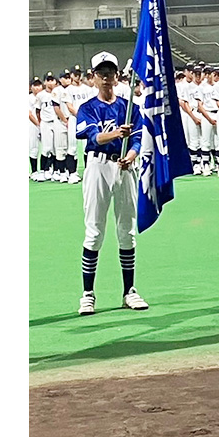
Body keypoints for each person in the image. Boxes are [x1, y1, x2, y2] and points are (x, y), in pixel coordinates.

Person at [74, 51, 149, 315]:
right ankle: (88, 294)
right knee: (94, 231)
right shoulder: (88, 108)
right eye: (101, 73)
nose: (106, 78)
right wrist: (117, 133)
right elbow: (93, 137)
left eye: (110, 73)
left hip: (124, 167)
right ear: (93, 77)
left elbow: (138, 139)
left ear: (117, 77)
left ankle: (129, 291)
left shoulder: (130, 108)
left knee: (127, 230)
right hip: (98, 166)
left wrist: (132, 155)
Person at [196, 65, 218, 176]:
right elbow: (200, 106)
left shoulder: (217, 86)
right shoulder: (201, 87)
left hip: (218, 114)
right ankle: (205, 164)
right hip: (207, 114)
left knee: (218, 142)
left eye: (211, 73)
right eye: (207, 73)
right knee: (206, 141)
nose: (209, 76)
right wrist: (209, 118)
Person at [29, 77, 43, 181]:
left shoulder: (44, 96)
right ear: (31, 87)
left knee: (48, 148)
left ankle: (45, 170)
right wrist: (38, 124)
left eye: (39, 85)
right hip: (32, 125)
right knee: (33, 148)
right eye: (35, 85)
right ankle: (34, 171)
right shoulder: (28, 98)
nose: (37, 88)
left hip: (45, 124)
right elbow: (29, 114)